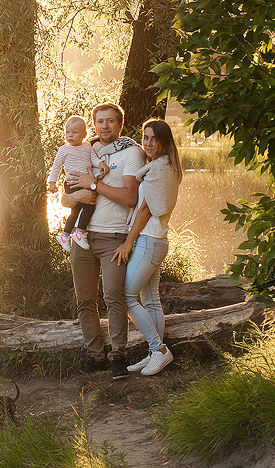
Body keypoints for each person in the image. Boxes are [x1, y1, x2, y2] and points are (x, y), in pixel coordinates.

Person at [63, 103, 144, 379]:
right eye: (100, 122)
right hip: (82, 239)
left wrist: (95, 185)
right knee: (85, 300)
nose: (105, 126)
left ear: (120, 125)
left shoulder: (132, 153)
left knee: (114, 297)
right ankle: (95, 355)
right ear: (93, 125)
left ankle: (118, 356)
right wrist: (77, 196)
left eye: (111, 121)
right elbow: (65, 198)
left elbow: (131, 198)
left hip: (113, 237)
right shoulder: (85, 151)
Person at [113, 119, 183, 377]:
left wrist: (128, 242)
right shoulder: (161, 166)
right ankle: (154, 353)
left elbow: (144, 209)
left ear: (164, 142)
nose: (149, 143)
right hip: (157, 240)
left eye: (154, 139)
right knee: (150, 300)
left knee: (126, 296)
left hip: (148, 241)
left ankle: (159, 350)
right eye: (145, 138)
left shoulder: (159, 170)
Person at [47, 115, 105, 251]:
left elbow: (94, 159)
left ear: (84, 135)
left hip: (84, 182)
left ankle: (65, 234)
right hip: (72, 183)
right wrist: (52, 183)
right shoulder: (64, 150)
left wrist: (101, 163)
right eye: (67, 132)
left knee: (76, 210)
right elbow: (56, 167)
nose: (70, 135)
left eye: (74, 132)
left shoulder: (87, 147)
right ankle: (80, 232)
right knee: (89, 206)